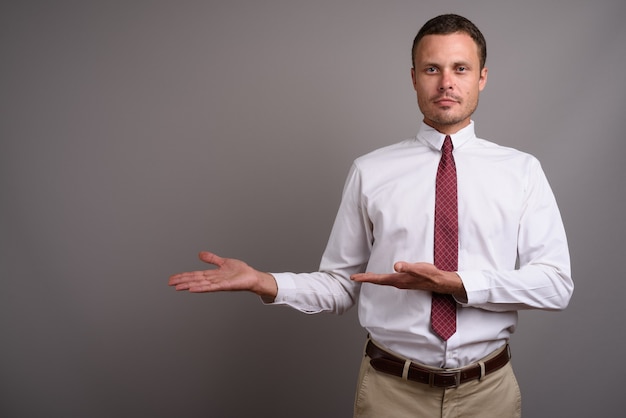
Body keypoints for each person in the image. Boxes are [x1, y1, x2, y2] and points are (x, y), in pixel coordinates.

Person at [168, 13, 573, 418]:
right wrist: (265, 282)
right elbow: (340, 286)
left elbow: (555, 285)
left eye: (460, 69)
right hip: (390, 394)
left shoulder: (522, 171)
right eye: (432, 69)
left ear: (482, 77)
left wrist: (458, 284)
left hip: (489, 396)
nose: (446, 82)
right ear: (413, 77)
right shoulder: (371, 171)